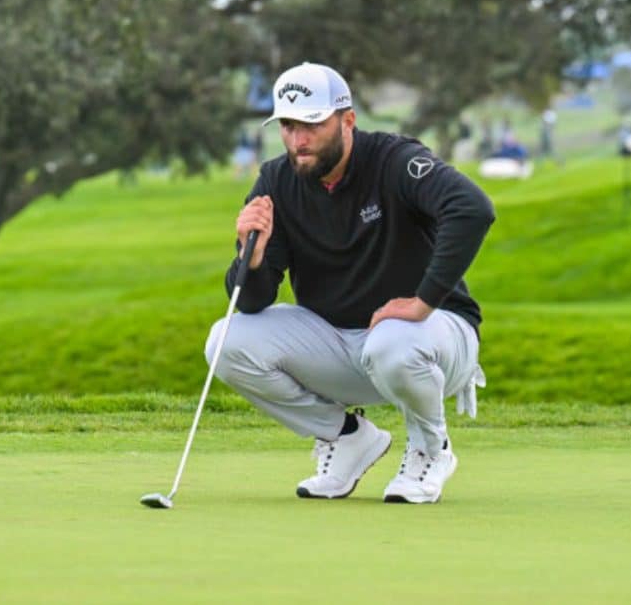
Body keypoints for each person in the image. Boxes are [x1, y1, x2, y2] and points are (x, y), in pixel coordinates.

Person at [204, 62, 495, 504]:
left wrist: (422, 302)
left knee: (393, 342)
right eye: (289, 126)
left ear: (348, 121)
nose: (298, 141)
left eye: (312, 125)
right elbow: (253, 301)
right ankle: (346, 436)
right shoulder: (276, 181)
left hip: (432, 339)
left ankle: (431, 449)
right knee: (225, 340)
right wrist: (252, 254)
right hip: (344, 347)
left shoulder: (394, 161)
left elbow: (472, 208)